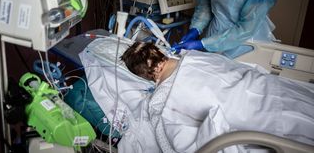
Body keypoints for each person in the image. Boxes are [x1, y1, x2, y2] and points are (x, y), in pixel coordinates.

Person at [120, 41, 314, 152]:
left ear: (145, 75)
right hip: (281, 91)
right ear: (159, 52)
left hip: (267, 123)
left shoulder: (163, 104)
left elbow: (177, 147)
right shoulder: (196, 56)